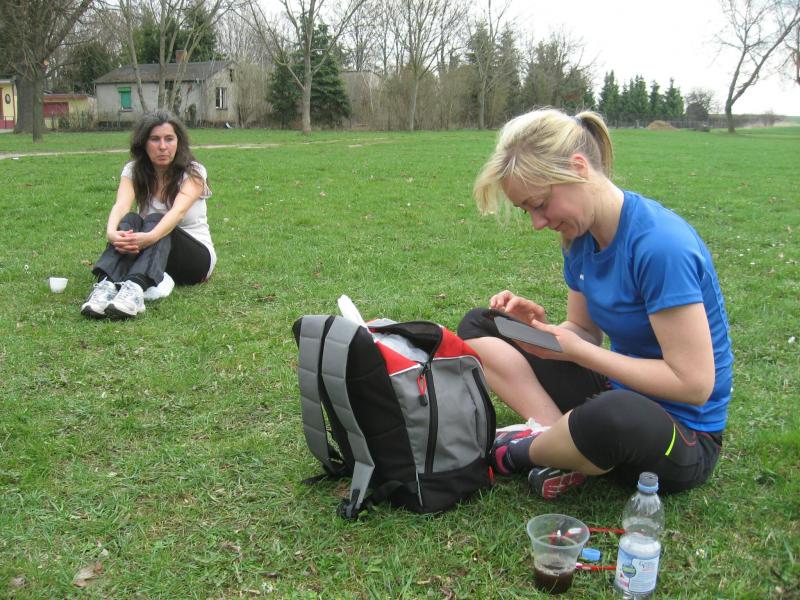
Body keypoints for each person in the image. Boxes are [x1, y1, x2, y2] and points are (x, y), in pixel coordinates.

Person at [458, 108, 733, 500]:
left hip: (681, 433)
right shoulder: (580, 238)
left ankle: (519, 452)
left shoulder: (660, 246)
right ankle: (556, 441)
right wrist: (540, 329)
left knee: (613, 415)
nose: (537, 222)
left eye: (540, 204)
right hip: (614, 391)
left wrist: (580, 352)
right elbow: (583, 330)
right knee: (482, 325)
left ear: (578, 168)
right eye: (527, 210)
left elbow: (694, 385)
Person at [81, 110, 216, 319]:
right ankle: (105, 285)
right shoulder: (133, 171)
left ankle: (134, 290)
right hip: (151, 253)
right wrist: (111, 233)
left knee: (157, 220)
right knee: (131, 220)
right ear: (143, 143)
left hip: (195, 261)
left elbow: (178, 212)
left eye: (169, 139)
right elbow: (121, 205)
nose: (162, 146)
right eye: (155, 139)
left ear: (178, 142)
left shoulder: (194, 172)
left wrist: (150, 237)